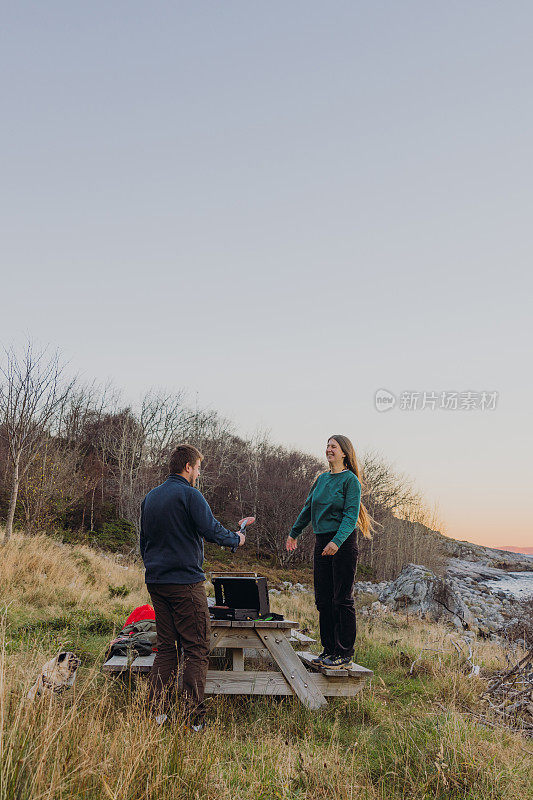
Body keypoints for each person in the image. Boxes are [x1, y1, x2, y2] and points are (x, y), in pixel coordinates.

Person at [140, 443, 246, 728]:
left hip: (156, 581)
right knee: (197, 648)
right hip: (185, 583)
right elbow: (211, 530)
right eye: (198, 467)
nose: (198, 473)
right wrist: (237, 539)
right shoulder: (190, 495)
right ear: (188, 467)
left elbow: (144, 542)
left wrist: (154, 570)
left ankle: (156, 714)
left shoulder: (150, 497)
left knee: (166, 648)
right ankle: (193, 720)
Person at [286, 435, 374, 668]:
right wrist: (294, 533)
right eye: (327, 446)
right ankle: (328, 650)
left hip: (342, 543)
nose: (328, 449)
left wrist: (337, 541)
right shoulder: (321, 479)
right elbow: (308, 508)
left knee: (341, 599)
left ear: (344, 452)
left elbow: (351, 515)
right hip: (321, 541)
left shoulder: (350, 481)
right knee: (323, 600)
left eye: (333, 446)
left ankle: (343, 653)